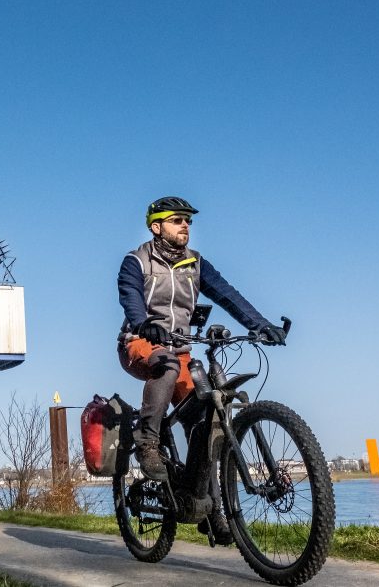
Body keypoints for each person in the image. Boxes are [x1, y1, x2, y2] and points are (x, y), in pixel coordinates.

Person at [118, 196, 286, 541]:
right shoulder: (136, 261)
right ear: (156, 227)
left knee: (205, 423)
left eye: (188, 221)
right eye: (177, 220)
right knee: (164, 364)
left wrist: (261, 323)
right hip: (141, 342)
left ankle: (210, 507)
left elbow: (227, 294)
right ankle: (147, 441)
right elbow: (130, 296)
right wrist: (143, 322)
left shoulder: (196, 263)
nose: (185, 226)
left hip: (179, 348)